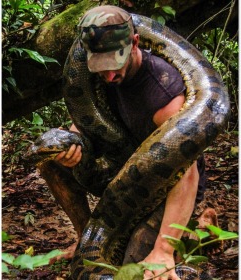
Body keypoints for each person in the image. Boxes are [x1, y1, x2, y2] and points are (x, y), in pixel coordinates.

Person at [44, 5, 215, 279]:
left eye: (114, 64)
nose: (109, 76)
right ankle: (85, 237)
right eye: (101, 67)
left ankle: (186, 236)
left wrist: (163, 249)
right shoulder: (98, 79)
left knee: (135, 270)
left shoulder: (163, 91)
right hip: (125, 171)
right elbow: (86, 124)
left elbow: (187, 175)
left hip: (165, 184)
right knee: (52, 160)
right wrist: (74, 145)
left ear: (135, 42)